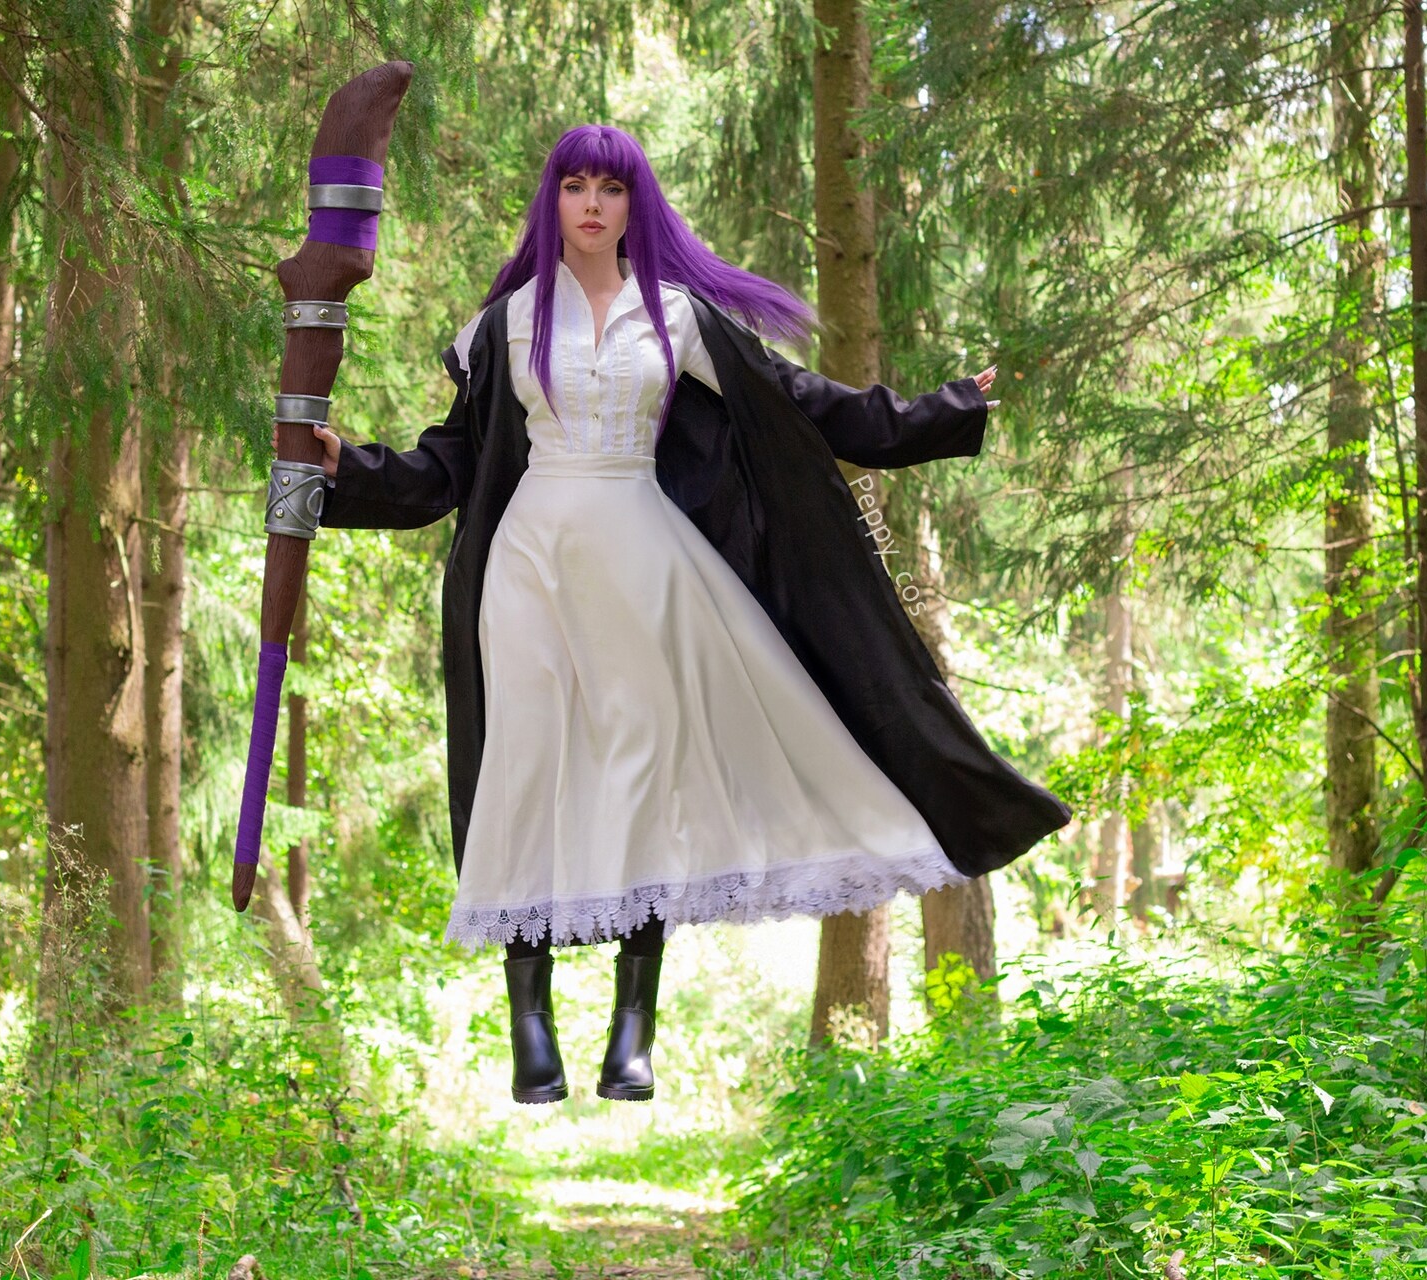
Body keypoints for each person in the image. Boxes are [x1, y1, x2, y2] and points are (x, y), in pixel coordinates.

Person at [300, 124, 1065, 1107]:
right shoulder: (506, 322)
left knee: (641, 772)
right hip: (529, 564)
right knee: (523, 765)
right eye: (574, 185)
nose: (591, 204)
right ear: (553, 200)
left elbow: (803, 402)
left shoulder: (676, 316)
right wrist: (347, 469)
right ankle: (530, 1027)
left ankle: (633, 1033)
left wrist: (942, 412)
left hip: (643, 560)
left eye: (610, 188)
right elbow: (448, 464)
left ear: (634, 204)